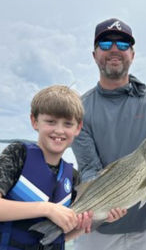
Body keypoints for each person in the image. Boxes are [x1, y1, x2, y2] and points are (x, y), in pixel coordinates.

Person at [71, 18, 146, 250]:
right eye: (105, 44)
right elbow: (88, 168)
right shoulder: (80, 108)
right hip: (98, 231)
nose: (115, 49)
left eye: (123, 44)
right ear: (94, 55)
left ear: (133, 54)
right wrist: (101, 206)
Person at [0, 85, 126, 250]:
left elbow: (61, 235)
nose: (59, 130)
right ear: (34, 121)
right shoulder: (17, 155)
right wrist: (46, 209)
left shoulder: (72, 177)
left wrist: (100, 218)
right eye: (51, 122)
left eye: (67, 124)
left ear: (78, 128)